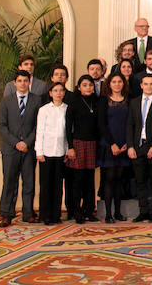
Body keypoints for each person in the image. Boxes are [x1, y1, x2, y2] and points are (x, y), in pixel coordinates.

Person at [0, 70, 40, 227]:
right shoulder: (6, 101)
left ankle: (28, 213)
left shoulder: (37, 100)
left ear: (29, 82)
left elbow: (38, 125)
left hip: (29, 149)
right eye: (19, 81)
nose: (22, 83)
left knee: (29, 182)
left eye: (25, 80)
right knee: (9, 182)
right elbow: (2, 125)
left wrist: (26, 143)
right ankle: (7, 214)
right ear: (14, 83)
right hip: (10, 149)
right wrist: (16, 143)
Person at [126, 74, 152, 222]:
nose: (149, 86)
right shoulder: (134, 102)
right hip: (138, 145)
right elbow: (130, 125)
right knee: (140, 181)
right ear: (141, 85)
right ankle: (143, 211)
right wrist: (130, 146)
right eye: (146, 84)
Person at [66, 75, 100, 224]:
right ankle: (76, 211)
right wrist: (70, 147)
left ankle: (89, 210)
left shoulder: (97, 101)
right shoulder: (73, 102)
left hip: (92, 143)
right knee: (77, 179)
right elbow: (68, 127)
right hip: (78, 143)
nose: (88, 88)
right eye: (85, 85)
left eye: (90, 85)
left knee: (89, 179)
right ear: (79, 87)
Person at [97, 72, 130, 223]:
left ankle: (117, 212)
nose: (117, 84)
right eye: (114, 81)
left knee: (120, 179)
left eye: (120, 81)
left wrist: (126, 143)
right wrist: (112, 144)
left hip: (124, 145)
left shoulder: (127, 100)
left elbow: (131, 123)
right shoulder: (104, 101)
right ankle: (108, 214)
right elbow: (101, 125)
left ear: (123, 83)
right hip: (109, 144)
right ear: (109, 84)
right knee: (109, 179)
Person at [35, 82, 69, 225]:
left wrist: (67, 150)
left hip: (61, 151)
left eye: (61, 90)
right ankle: (45, 214)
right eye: (55, 90)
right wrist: (39, 151)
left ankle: (56, 214)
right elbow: (40, 131)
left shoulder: (67, 109)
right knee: (46, 184)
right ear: (50, 93)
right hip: (47, 151)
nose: (58, 93)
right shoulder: (44, 110)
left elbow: (68, 132)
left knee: (58, 184)